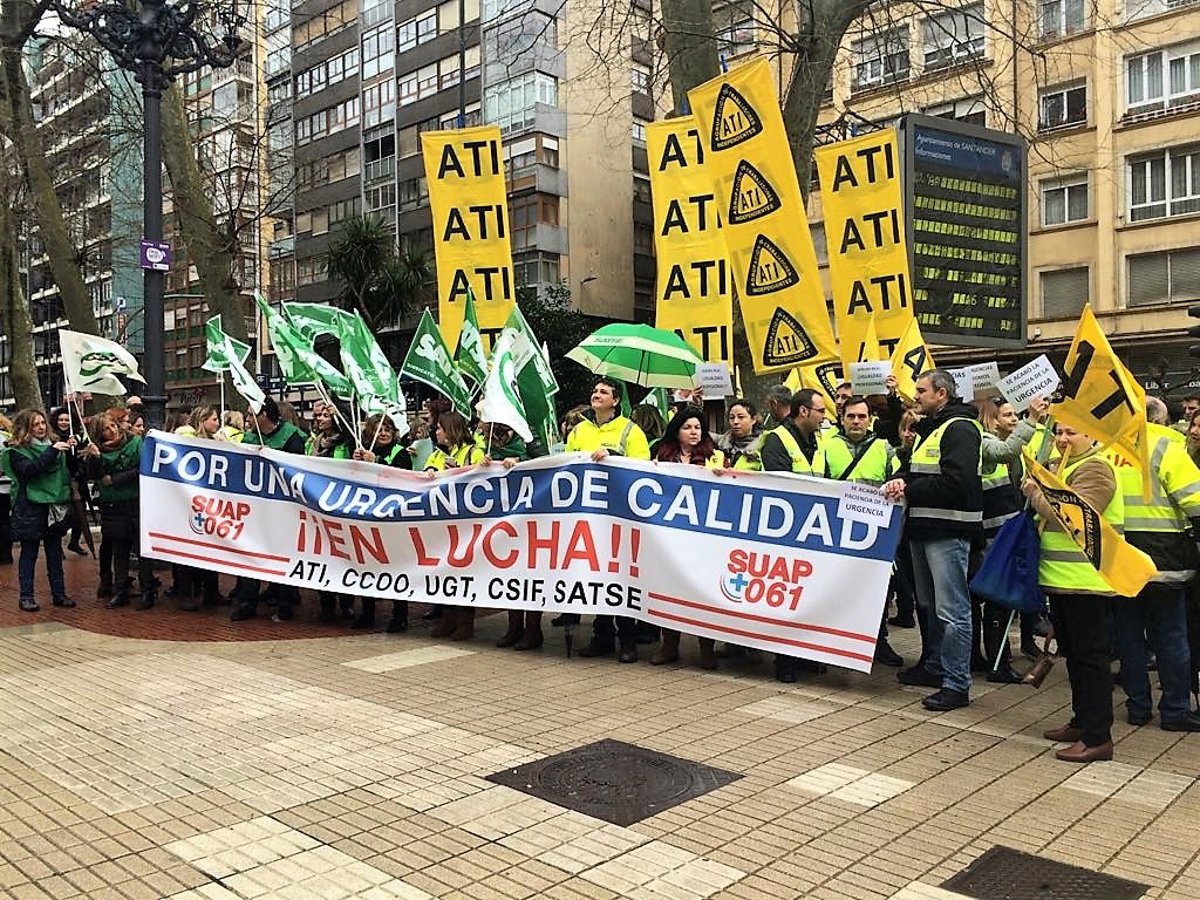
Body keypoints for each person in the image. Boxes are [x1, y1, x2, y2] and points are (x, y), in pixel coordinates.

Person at [883, 370, 983, 712]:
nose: (916, 395)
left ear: (941, 393)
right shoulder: (933, 428)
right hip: (924, 529)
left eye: (922, 390)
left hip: (948, 531)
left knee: (953, 610)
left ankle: (956, 684)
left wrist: (910, 487)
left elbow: (958, 482)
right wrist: (900, 479)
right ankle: (935, 666)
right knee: (929, 606)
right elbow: (916, 470)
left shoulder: (960, 428)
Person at [1023, 423, 1122, 763]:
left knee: (1091, 660)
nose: (1063, 439)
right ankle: (1081, 723)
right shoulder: (1065, 466)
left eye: (1072, 433)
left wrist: (1036, 492)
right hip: (1063, 579)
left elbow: (1072, 515)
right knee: (1076, 657)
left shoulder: (1096, 468)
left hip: (1088, 580)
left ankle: (1098, 737)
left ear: (1091, 434)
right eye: (1059, 432)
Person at [1110, 397, 1200, 733]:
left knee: (1129, 636)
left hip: (1120, 559)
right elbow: (1196, 500)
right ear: (1156, 418)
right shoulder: (1166, 445)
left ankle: (1137, 707)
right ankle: (1175, 710)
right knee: (1171, 636)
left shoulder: (1105, 445)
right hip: (1164, 558)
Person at [568, 378, 651, 663]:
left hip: (619, 516)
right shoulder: (579, 430)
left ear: (615, 401)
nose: (597, 394)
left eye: (604, 392)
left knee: (620, 576)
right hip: (588, 516)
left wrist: (613, 456)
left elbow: (643, 468)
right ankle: (601, 635)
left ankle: (627, 639)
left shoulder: (631, 431)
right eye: (595, 390)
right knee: (597, 576)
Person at [972, 396, 1050, 681]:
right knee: (997, 599)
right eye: (1000, 415)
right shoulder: (982, 442)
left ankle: (991, 659)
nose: (1010, 419)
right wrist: (1032, 419)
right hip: (994, 533)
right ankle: (998, 663)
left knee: (995, 599)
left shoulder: (992, 442)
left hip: (1002, 529)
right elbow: (1005, 452)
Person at [825, 395, 905, 669]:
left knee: (877, 591)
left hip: (874, 534)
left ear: (870, 419)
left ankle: (879, 641)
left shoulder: (884, 448)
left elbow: (899, 481)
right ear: (842, 418)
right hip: (837, 531)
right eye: (851, 416)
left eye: (862, 416)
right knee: (836, 589)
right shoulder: (827, 446)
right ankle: (835, 642)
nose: (856, 421)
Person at [760, 388, 829, 683]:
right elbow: (780, 486)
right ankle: (784, 659)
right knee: (785, 597)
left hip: (813, 529)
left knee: (807, 595)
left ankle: (803, 653)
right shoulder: (777, 440)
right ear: (803, 411)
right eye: (820, 411)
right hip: (786, 531)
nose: (824, 416)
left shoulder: (819, 441)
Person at [649, 409, 724, 670]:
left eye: (697, 427)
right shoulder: (661, 455)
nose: (694, 432)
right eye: (687, 427)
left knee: (703, 592)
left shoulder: (715, 457)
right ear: (676, 431)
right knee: (669, 589)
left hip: (703, 538)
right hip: (670, 537)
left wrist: (724, 476)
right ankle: (669, 645)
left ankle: (707, 648)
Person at [231, 399, 306, 621]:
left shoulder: (291, 437)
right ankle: (247, 602)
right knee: (248, 553)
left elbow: (298, 469)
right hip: (254, 508)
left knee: (281, 555)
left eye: (250, 414)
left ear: (263, 414)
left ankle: (285, 603)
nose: (247, 419)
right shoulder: (250, 438)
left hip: (282, 509)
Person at [0, 409, 76, 611]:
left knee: (54, 552)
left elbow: (70, 471)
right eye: (35, 424)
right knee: (29, 553)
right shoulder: (17, 451)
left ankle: (59, 594)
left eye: (43, 423)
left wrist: (74, 450)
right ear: (26, 428)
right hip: (30, 506)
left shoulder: (55, 446)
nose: (41, 427)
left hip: (53, 505)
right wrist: (53, 451)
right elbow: (30, 470)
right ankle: (26, 596)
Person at [81, 409, 157, 611]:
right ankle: (120, 590)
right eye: (106, 429)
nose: (112, 431)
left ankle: (148, 590)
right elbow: (93, 475)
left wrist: (116, 479)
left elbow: (143, 468)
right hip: (113, 505)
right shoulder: (96, 450)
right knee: (119, 550)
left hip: (135, 501)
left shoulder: (135, 443)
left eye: (113, 426)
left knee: (142, 550)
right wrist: (95, 458)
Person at [349, 413, 413, 633]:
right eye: (379, 429)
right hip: (368, 518)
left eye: (387, 429)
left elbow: (402, 478)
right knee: (366, 564)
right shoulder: (362, 453)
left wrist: (374, 463)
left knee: (395, 566)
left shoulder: (400, 453)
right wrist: (355, 463)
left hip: (392, 520)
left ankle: (400, 615)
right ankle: (367, 613)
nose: (384, 433)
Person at [425, 411, 486, 640]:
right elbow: (424, 473)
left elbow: (484, 478)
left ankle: (465, 624)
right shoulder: (437, 454)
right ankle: (448, 620)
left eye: (440, 428)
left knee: (464, 572)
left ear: (450, 430)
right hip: (443, 522)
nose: (436, 432)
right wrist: (430, 472)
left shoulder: (473, 452)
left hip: (466, 522)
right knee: (445, 570)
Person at [484, 424, 543, 651]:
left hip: (532, 515)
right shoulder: (487, 438)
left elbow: (546, 462)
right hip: (504, 516)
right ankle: (514, 627)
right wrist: (484, 464)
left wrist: (521, 462)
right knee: (511, 573)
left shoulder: (528, 434)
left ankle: (533, 630)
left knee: (532, 573)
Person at [51, 407, 89, 557]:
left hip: (77, 480)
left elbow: (81, 458)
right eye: (61, 420)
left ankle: (74, 542)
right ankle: (57, 545)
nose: (64, 422)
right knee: (63, 515)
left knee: (80, 513)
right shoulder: (52, 438)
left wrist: (77, 446)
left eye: (67, 420)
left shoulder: (78, 437)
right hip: (60, 481)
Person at [717, 400, 763, 471]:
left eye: (741, 417)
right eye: (732, 418)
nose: (735, 422)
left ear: (753, 419)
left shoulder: (764, 446)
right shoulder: (719, 444)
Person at [0, 413, 12, 565]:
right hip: (8, 486)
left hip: (2, 485)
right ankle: (6, 554)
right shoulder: (8, 436)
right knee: (5, 521)